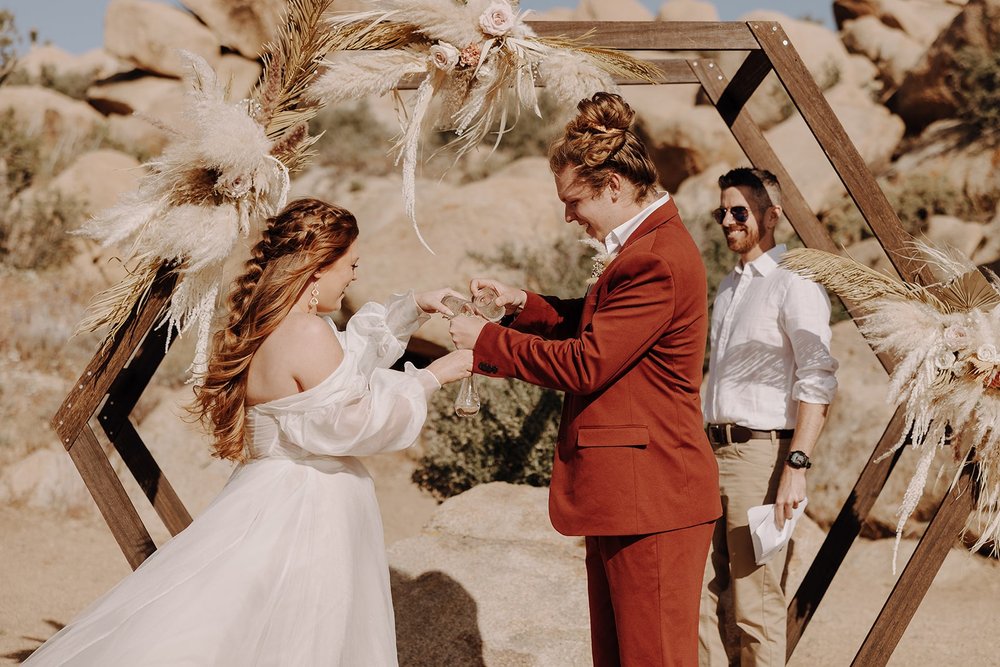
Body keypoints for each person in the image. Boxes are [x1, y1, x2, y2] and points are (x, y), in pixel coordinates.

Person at [24, 198, 472, 666]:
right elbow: (350, 424)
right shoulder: (307, 334)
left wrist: (415, 306)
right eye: (351, 264)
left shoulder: (276, 328)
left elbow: (345, 370)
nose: (355, 276)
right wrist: (430, 377)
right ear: (318, 267)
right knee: (300, 638)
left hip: (270, 492)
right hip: (309, 507)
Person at [449, 92, 722, 666]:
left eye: (574, 201)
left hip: (653, 493)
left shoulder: (656, 258)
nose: (569, 216)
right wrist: (523, 304)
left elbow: (588, 362)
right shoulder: (645, 248)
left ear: (614, 188)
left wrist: (486, 341)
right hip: (631, 492)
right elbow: (604, 323)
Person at [699, 168, 838, 666]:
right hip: (710, 450)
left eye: (740, 211)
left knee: (755, 604)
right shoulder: (727, 286)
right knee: (701, 599)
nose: (729, 220)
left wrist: (795, 466)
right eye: (723, 212)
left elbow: (818, 376)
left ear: (771, 215)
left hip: (761, 455)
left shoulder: (794, 282)